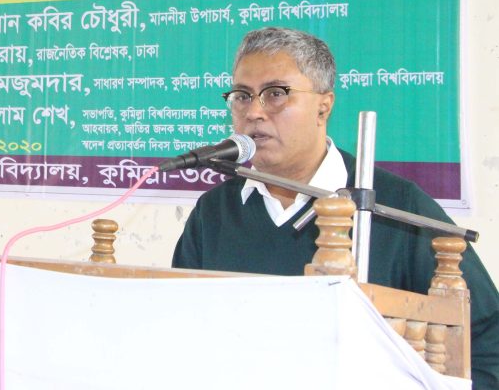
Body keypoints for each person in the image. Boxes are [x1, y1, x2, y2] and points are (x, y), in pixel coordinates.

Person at [172, 26, 499, 388]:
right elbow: (182, 331)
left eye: (276, 94)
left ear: (323, 106)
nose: (255, 112)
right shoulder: (214, 212)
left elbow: (489, 342)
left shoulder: (395, 206)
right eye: (242, 96)